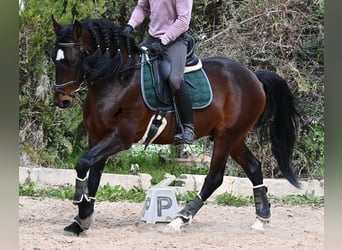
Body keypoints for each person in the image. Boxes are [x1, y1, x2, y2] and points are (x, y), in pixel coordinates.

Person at [122, 0, 195, 144]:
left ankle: (188, 127)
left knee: (175, 79)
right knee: (128, 66)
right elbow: (142, 7)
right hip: (152, 38)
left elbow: (183, 21)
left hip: (175, 40)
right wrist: (130, 25)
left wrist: (163, 41)